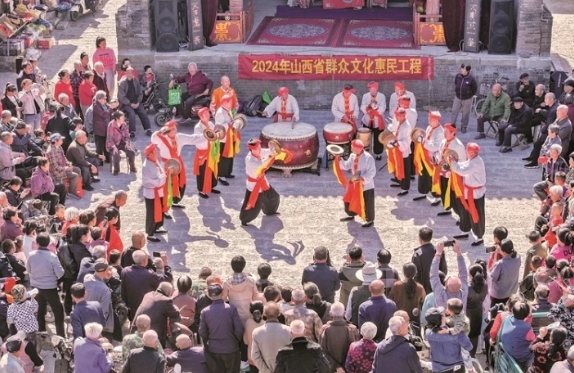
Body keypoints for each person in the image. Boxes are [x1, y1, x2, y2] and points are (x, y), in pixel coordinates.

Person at [151, 120, 202, 207]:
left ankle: (175, 201)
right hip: (166, 164)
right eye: (171, 129)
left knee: (180, 181)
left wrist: (207, 135)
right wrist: (161, 131)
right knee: (167, 184)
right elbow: (153, 139)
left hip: (177, 163)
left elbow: (193, 138)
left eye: (175, 128)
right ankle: (165, 205)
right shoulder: (162, 139)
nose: (174, 130)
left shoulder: (179, 137)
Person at [238, 138, 286, 226]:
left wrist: (273, 150)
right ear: (251, 149)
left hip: (262, 181)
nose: (259, 149)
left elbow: (266, 152)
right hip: (254, 185)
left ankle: (270, 211)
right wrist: (272, 155)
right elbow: (263, 165)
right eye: (257, 148)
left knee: (273, 197)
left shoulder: (258, 152)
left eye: (259, 146)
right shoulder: (249, 160)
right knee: (252, 205)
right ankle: (244, 219)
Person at [199, 282, 244, 373]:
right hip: (231, 348)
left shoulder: (205, 312)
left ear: (209, 295)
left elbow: (202, 332)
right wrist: (236, 341)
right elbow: (239, 329)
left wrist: (208, 342)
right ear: (222, 293)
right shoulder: (231, 309)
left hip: (214, 349)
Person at [26, 232, 65, 337]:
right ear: (48, 243)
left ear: (37, 243)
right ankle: (61, 335)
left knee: (40, 308)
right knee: (58, 310)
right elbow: (60, 273)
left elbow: (28, 270)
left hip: (36, 287)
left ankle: (41, 330)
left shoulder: (31, 255)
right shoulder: (52, 256)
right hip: (50, 287)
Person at [449, 142, 487, 246]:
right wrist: (455, 162)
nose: (466, 151)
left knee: (477, 214)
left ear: (472, 152)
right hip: (468, 192)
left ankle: (479, 236)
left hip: (475, 194)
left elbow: (462, 170)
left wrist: (453, 163)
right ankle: (465, 230)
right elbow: (464, 164)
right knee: (465, 211)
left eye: (467, 150)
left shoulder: (476, 163)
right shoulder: (473, 160)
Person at [121, 250, 173, 321]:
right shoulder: (149, 275)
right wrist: (166, 265)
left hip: (132, 308)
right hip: (147, 309)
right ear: (144, 261)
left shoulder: (125, 271)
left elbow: (123, 292)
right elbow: (166, 280)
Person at [336, 139, 376, 226]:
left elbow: (372, 172)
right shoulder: (352, 156)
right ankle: (351, 214)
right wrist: (339, 159)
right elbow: (346, 166)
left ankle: (369, 220)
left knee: (367, 202)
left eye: (352, 147)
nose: (351, 149)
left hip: (366, 185)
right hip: (354, 183)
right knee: (349, 198)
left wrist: (362, 178)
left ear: (358, 149)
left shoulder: (368, 158)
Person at [425, 306, 473, 373]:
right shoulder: (457, 335)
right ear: (442, 319)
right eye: (443, 314)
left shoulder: (428, 333)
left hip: (437, 369)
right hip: (455, 369)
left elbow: (428, 344)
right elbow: (469, 347)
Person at [133, 282, 180, 347]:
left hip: (137, 327)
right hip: (151, 333)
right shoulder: (165, 300)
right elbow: (175, 314)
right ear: (169, 293)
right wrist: (175, 306)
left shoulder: (148, 294)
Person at [141, 143, 171, 242]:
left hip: (158, 192)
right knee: (151, 213)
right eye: (155, 151)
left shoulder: (154, 161)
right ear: (150, 155)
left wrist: (164, 174)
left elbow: (161, 173)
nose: (157, 152)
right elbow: (157, 181)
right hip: (152, 193)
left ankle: (157, 227)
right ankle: (150, 233)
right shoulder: (147, 167)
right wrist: (166, 175)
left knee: (160, 210)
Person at [412, 111, 444, 203]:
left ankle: (437, 197)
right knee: (423, 174)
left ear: (436, 121)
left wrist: (423, 142)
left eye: (430, 119)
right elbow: (425, 138)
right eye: (429, 119)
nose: (428, 121)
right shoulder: (429, 127)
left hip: (432, 158)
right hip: (424, 155)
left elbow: (435, 147)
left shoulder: (440, 132)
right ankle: (423, 192)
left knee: (433, 177)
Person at [251, 301, 291, 373]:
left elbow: (255, 356)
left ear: (264, 314)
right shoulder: (289, 331)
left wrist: (266, 371)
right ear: (279, 314)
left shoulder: (257, 332)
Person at [320, 302, 360, 371]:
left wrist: (337, 367)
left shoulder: (324, 329)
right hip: (348, 369)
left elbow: (322, 351)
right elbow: (355, 351)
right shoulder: (353, 329)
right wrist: (343, 367)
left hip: (330, 369)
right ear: (344, 313)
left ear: (330, 313)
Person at [431, 241, 468, 309]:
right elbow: (464, 274)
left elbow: (433, 275)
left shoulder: (440, 295)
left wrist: (438, 253)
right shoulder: (464, 294)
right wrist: (458, 253)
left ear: (446, 286)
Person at [192, 107, 220, 198]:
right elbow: (198, 141)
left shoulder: (211, 124)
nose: (208, 116)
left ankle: (211, 186)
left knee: (212, 169)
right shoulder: (198, 127)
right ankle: (201, 190)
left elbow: (215, 134)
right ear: (200, 116)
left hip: (212, 151)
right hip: (202, 152)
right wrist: (209, 140)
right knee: (203, 171)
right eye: (205, 114)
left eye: (208, 114)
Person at [525, 92, 559, 167]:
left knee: (537, 144)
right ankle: (532, 157)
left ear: (552, 99)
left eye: (546, 99)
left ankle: (534, 162)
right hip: (548, 130)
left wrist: (543, 130)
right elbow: (548, 115)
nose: (545, 100)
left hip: (549, 132)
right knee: (537, 144)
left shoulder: (553, 109)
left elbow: (550, 122)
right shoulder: (552, 107)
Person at [499, 301, 536, 369]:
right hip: (520, 356)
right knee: (535, 354)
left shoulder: (507, 319)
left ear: (513, 311)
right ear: (527, 313)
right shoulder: (527, 328)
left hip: (507, 350)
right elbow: (534, 340)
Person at [117, 67, 152, 137]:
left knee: (143, 112)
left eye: (131, 73)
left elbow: (140, 93)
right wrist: (130, 104)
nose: (130, 74)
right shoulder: (122, 83)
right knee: (131, 114)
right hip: (127, 103)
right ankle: (132, 131)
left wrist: (138, 102)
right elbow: (122, 97)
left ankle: (148, 129)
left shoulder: (136, 81)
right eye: (128, 73)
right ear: (126, 73)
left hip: (136, 102)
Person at [411, 227, 447, 294]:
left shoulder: (417, 254)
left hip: (424, 290)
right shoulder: (438, 251)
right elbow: (444, 269)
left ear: (420, 239)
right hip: (438, 287)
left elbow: (416, 275)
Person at [214, 94, 239, 186]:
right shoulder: (220, 112)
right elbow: (219, 125)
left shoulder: (227, 110)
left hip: (230, 136)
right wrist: (230, 125)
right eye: (230, 101)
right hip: (223, 138)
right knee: (223, 157)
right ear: (224, 102)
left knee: (230, 155)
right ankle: (221, 175)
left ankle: (228, 172)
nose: (231, 103)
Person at [489, 238, 521, 306]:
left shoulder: (500, 264)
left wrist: (495, 256)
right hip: (512, 292)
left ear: (503, 251)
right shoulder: (518, 258)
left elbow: (492, 277)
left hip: (499, 295)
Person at [360, 81, 386, 159]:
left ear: (377, 88)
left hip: (378, 120)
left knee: (378, 137)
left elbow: (383, 107)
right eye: (371, 89)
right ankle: (366, 152)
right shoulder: (365, 96)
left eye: (374, 89)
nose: (373, 91)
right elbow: (362, 106)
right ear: (369, 89)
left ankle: (378, 153)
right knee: (366, 137)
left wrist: (375, 110)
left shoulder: (382, 96)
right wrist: (368, 110)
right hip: (367, 120)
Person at [106, 110, 136, 175]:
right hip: (113, 144)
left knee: (131, 153)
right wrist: (114, 147)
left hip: (122, 142)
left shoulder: (124, 124)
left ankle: (132, 167)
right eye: (122, 117)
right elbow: (109, 138)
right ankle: (116, 170)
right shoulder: (111, 125)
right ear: (117, 119)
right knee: (116, 155)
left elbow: (127, 135)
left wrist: (127, 143)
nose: (124, 118)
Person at [450, 64, 477, 133]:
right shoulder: (457, 76)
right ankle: (452, 125)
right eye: (461, 68)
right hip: (458, 97)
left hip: (467, 98)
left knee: (465, 113)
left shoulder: (471, 79)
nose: (461, 69)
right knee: (454, 111)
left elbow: (475, 88)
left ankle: (464, 126)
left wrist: (471, 94)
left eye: (463, 68)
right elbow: (456, 83)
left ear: (467, 70)